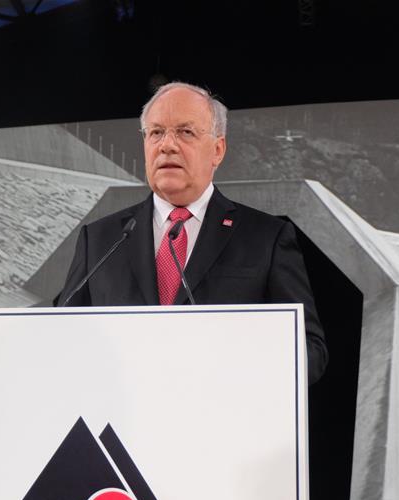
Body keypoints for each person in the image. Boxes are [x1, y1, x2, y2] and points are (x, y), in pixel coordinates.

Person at [57, 82, 328, 383]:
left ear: (217, 150)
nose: (167, 145)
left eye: (185, 132)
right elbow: (58, 337)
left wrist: (236, 366)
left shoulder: (267, 238)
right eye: (156, 132)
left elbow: (310, 351)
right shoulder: (100, 240)